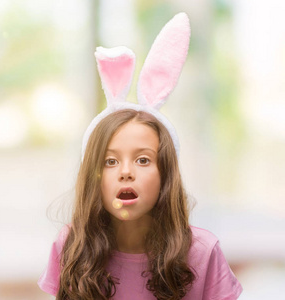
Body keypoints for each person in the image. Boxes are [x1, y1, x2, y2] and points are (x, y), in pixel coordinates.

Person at [38, 12, 243, 300]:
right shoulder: (71, 245)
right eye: (110, 161)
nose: (126, 172)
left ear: (165, 173)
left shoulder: (202, 252)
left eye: (143, 160)